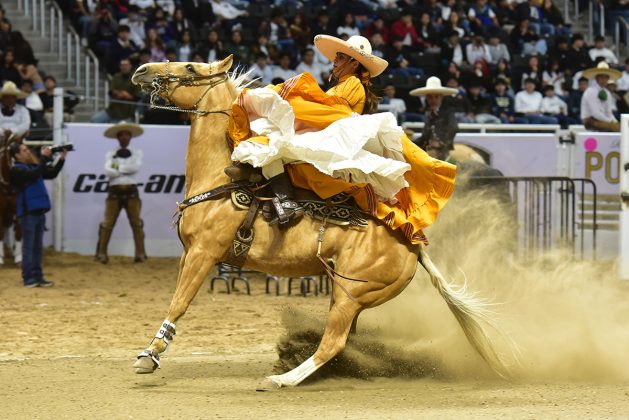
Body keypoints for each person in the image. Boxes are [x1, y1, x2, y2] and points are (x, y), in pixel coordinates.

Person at [227, 34, 456, 244]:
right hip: (333, 135)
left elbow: (331, 111)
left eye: (340, 58)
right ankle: (279, 196)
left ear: (354, 63)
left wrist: (289, 99)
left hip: (337, 137)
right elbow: (324, 109)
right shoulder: (345, 84)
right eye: (336, 57)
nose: (334, 62)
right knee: (270, 143)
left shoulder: (353, 84)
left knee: (272, 144)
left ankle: (285, 201)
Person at [9, 142, 68, 287]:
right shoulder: (16, 170)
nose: (27, 152)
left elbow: (52, 173)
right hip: (28, 212)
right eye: (24, 150)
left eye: (27, 149)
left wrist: (61, 158)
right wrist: (44, 158)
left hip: (38, 211)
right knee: (29, 247)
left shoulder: (32, 167)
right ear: (16, 155)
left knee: (37, 247)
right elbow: (35, 174)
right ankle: (28, 278)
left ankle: (38, 277)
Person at [95, 121, 147, 263]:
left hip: (131, 190)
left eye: (126, 135)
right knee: (107, 224)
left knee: (136, 223)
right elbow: (108, 171)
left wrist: (117, 168)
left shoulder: (137, 152)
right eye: (121, 135)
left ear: (130, 137)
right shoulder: (110, 153)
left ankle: (140, 253)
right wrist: (125, 169)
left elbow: (135, 167)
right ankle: (102, 253)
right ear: (118, 137)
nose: (124, 137)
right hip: (114, 191)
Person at [410, 76, 459, 161]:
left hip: (443, 151)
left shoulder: (448, 112)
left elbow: (454, 127)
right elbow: (424, 137)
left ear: (441, 97)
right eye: (430, 97)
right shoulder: (428, 114)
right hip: (429, 149)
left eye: (436, 97)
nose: (433, 100)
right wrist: (409, 143)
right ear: (427, 98)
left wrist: (442, 143)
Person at [91, 58, 142, 124]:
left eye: (126, 65)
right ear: (120, 66)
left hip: (127, 113)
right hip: (112, 111)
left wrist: (126, 95)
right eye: (122, 65)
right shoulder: (116, 77)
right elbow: (111, 92)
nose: (124, 67)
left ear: (130, 66)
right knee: (94, 120)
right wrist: (123, 94)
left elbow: (137, 97)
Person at [580, 61, 622, 132]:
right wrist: (611, 123)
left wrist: (615, 122)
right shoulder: (591, 91)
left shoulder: (607, 93)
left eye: (606, 78)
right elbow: (595, 113)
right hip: (589, 120)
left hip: (602, 120)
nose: (604, 80)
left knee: (622, 127)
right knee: (614, 127)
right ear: (596, 78)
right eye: (601, 77)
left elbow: (609, 112)